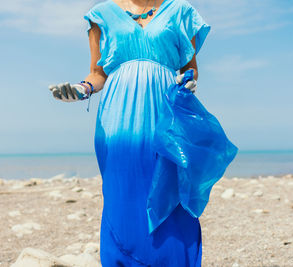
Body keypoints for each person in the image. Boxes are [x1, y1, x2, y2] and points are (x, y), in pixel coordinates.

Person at [48, 0, 210, 265]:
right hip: (118, 118)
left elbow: (189, 67)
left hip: (166, 114)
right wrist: (81, 89)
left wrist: (189, 79)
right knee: (121, 194)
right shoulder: (101, 15)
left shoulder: (181, 11)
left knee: (170, 192)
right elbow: (97, 74)